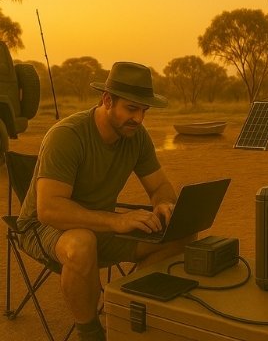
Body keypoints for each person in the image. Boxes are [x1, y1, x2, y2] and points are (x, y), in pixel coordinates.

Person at [15, 62, 184, 341]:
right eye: (131, 109)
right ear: (107, 100)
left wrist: (164, 203)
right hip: (43, 228)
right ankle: (90, 332)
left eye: (144, 110)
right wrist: (116, 220)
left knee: (180, 235)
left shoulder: (136, 137)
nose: (139, 119)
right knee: (81, 243)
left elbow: (160, 186)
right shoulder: (67, 136)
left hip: (99, 226)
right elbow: (49, 209)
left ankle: (125, 304)